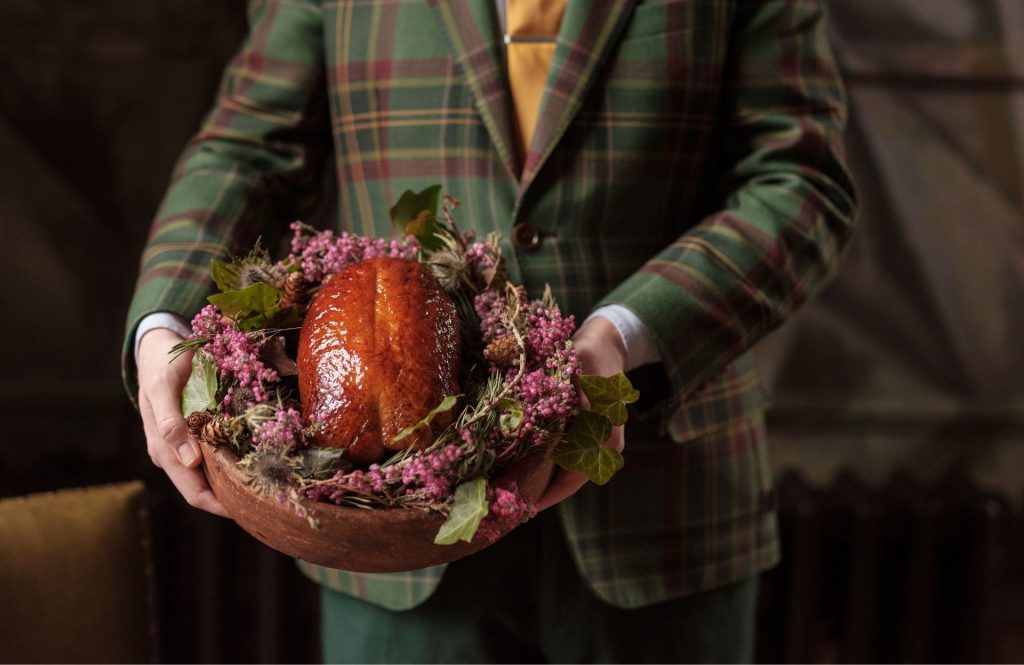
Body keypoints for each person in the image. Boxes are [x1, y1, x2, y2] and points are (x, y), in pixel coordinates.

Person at [126, 0, 856, 662]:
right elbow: (247, 148)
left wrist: (622, 334)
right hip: (389, 547)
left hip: (666, 514)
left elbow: (799, 180)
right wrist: (164, 322)